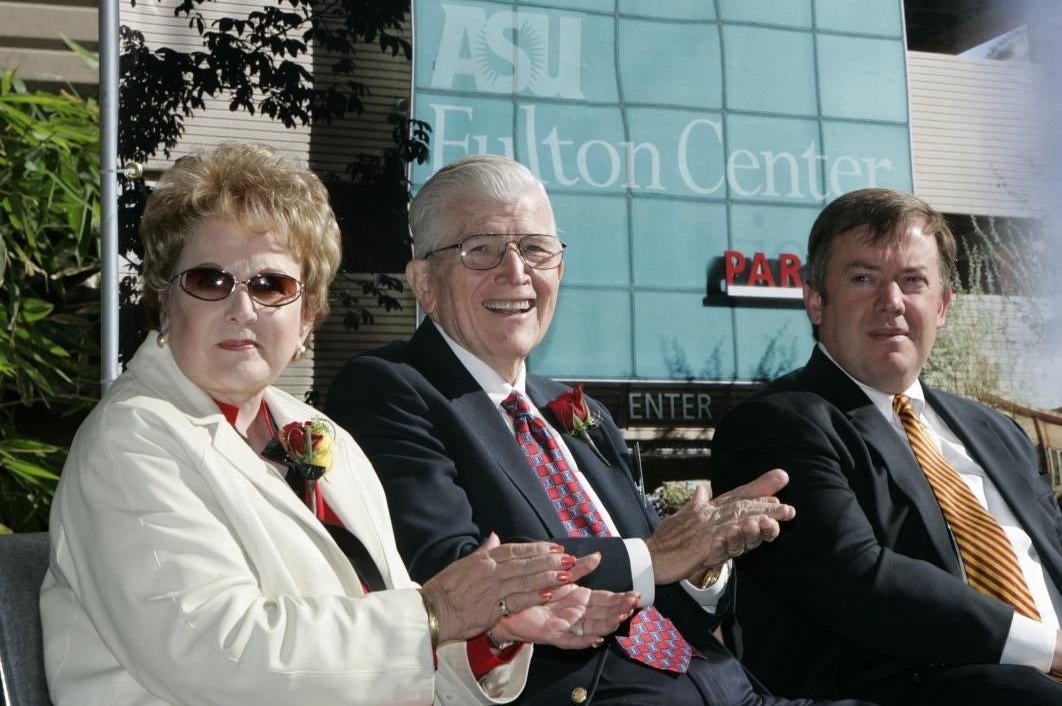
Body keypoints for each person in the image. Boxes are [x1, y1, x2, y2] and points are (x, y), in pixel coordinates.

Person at [40, 144, 639, 706]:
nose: (242, 308)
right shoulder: (131, 441)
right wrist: (437, 615)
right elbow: (217, 653)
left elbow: (388, 652)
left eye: (272, 284)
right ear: (165, 302)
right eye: (209, 280)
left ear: (308, 317)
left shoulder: (325, 439)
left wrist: (488, 634)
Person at [326, 154, 871, 705]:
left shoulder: (576, 410)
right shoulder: (388, 389)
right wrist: (655, 558)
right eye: (482, 249)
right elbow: (455, 568)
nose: (515, 272)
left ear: (559, 270)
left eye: (536, 249)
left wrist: (702, 566)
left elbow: (662, 568)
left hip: (730, 689)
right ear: (424, 282)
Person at [711, 188, 1062, 706]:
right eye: (863, 278)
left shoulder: (998, 432)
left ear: (942, 306)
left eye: (913, 281)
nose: (891, 302)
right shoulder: (776, 425)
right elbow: (856, 580)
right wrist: (1046, 649)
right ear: (814, 299)